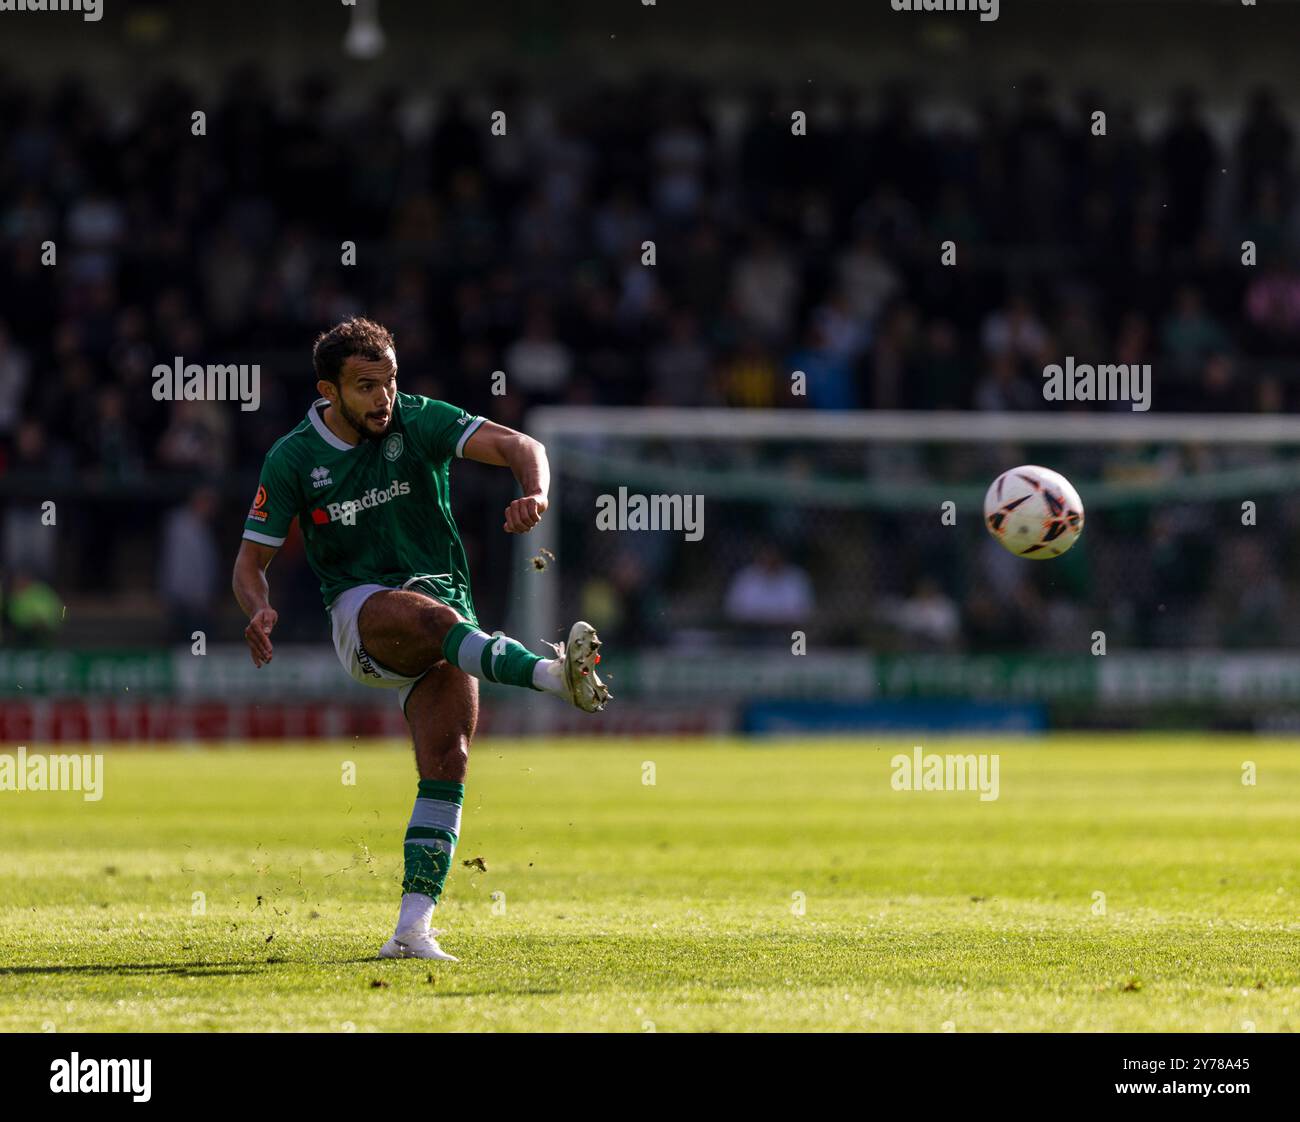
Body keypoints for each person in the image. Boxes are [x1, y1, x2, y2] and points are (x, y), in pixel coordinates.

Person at [231, 317, 610, 963]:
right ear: (330, 390)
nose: (383, 398)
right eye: (365, 386)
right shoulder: (294, 457)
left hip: (448, 621)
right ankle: (553, 678)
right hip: (364, 617)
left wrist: (535, 492)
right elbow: (248, 565)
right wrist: (260, 610)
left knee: (449, 760)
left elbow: (522, 445)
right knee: (433, 620)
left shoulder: (418, 418)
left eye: (390, 380)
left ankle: (412, 930)